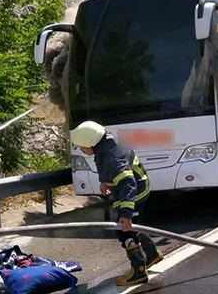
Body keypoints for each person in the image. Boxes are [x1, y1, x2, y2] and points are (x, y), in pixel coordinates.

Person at [70, 121, 163, 286]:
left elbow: (128, 183)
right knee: (133, 227)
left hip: (135, 193)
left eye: (81, 147)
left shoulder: (112, 157)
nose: (81, 150)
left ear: (91, 143)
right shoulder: (105, 144)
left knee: (125, 231)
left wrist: (126, 215)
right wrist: (105, 182)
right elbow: (105, 167)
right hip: (131, 189)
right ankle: (152, 254)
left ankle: (139, 272)